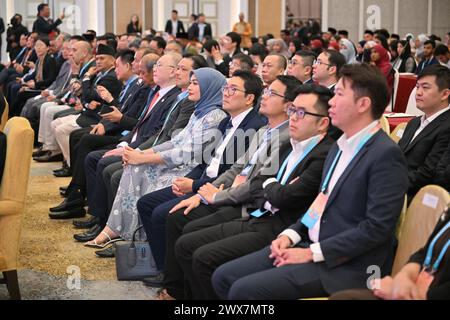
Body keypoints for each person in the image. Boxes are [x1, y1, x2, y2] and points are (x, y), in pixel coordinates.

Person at [212, 63, 409, 300]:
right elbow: (320, 203)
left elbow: (376, 228)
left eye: (339, 94)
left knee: (243, 290)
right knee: (223, 276)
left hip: (349, 265)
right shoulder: (339, 147)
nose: (332, 103)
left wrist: (312, 253)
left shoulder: (384, 154)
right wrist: (291, 235)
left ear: (363, 104)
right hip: (310, 244)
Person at [174, 84, 335, 300]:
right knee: (186, 243)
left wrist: (270, 186)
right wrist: (271, 186)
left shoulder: (321, 153)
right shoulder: (292, 144)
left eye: (301, 113)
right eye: (293, 111)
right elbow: (259, 181)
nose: (294, 118)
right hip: (258, 213)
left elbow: (282, 196)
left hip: (278, 225)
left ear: (323, 122)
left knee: (205, 258)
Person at [148, 76, 299, 297]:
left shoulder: (285, 137)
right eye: (266, 92)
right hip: (229, 192)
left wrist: (215, 196)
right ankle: (177, 289)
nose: (264, 97)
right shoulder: (263, 131)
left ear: (288, 105)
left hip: (249, 205)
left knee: (186, 230)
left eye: (271, 94)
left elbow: (257, 185)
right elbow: (235, 170)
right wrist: (202, 194)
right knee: (178, 217)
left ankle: (178, 290)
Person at [83, 68, 227, 246]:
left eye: (195, 83)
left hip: (191, 170)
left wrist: (143, 158)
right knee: (134, 166)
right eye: (190, 82)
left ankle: (135, 237)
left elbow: (189, 153)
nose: (190, 87)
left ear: (209, 87)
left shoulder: (215, 116)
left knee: (140, 169)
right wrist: (141, 154)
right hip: (178, 162)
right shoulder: (200, 112)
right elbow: (175, 141)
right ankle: (116, 229)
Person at [330, 204, 450, 300]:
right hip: (415, 287)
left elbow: (376, 228)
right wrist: (403, 278)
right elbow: (424, 253)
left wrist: (411, 295)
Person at [398, 65, 450, 198]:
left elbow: (428, 173)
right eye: (417, 87)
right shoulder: (414, 122)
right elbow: (397, 157)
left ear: (444, 94)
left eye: (425, 87)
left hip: (415, 196)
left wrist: (391, 183)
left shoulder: (447, 127)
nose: (418, 92)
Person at [9, 37, 58, 117]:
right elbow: (35, 75)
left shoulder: (50, 60)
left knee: (22, 94)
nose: (38, 48)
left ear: (47, 48)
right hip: (38, 86)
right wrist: (26, 85)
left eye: (41, 45)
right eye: (36, 45)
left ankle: (12, 116)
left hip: (44, 89)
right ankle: (14, 116)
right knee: (21, 91)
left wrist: (34, 85)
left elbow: (51, 80)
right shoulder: (39, 60)